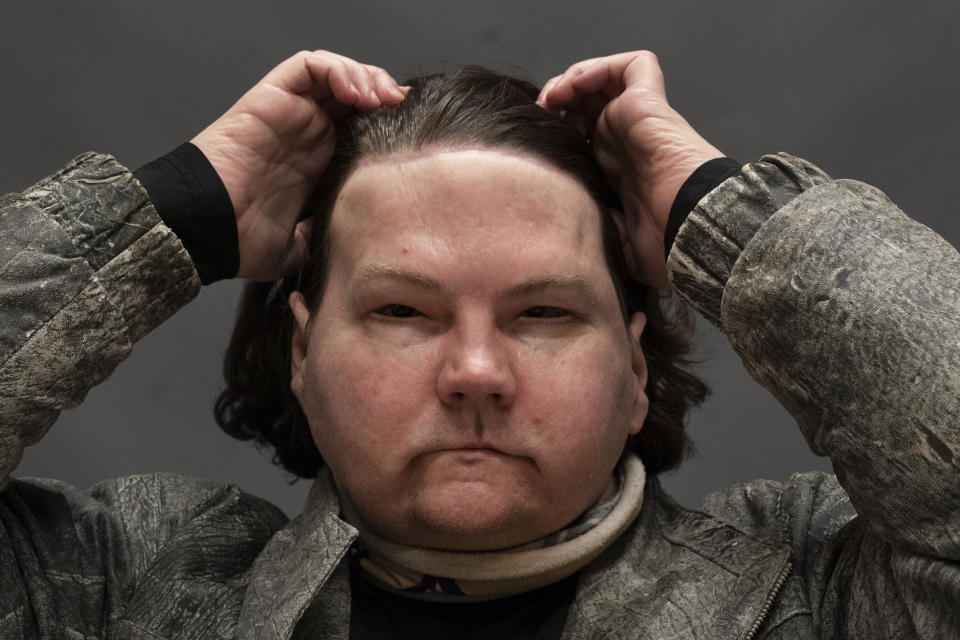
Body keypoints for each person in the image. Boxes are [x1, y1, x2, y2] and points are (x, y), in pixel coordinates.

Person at [0, 49, 956, 639]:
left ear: (633, 369)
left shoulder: (819, 593)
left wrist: (721, 215)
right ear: (301, 354)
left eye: (543, 313)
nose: (475, 373)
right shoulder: (118, 587)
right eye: (403, 313)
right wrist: (177, 213)